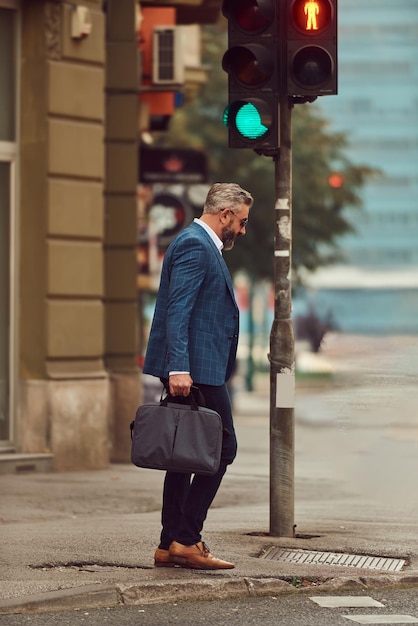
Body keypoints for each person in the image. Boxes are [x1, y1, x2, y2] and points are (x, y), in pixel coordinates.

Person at [143, 182, 254, 570]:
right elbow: (179, 310)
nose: (242, 229)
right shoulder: (195, 244)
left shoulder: (199, 243)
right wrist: (179, 368)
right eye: (240, 221)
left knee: (183, 454)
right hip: (195, 370)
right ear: (225, 214)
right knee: (222, 450)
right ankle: (187, 539)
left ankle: (167, 543)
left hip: (195, 367)